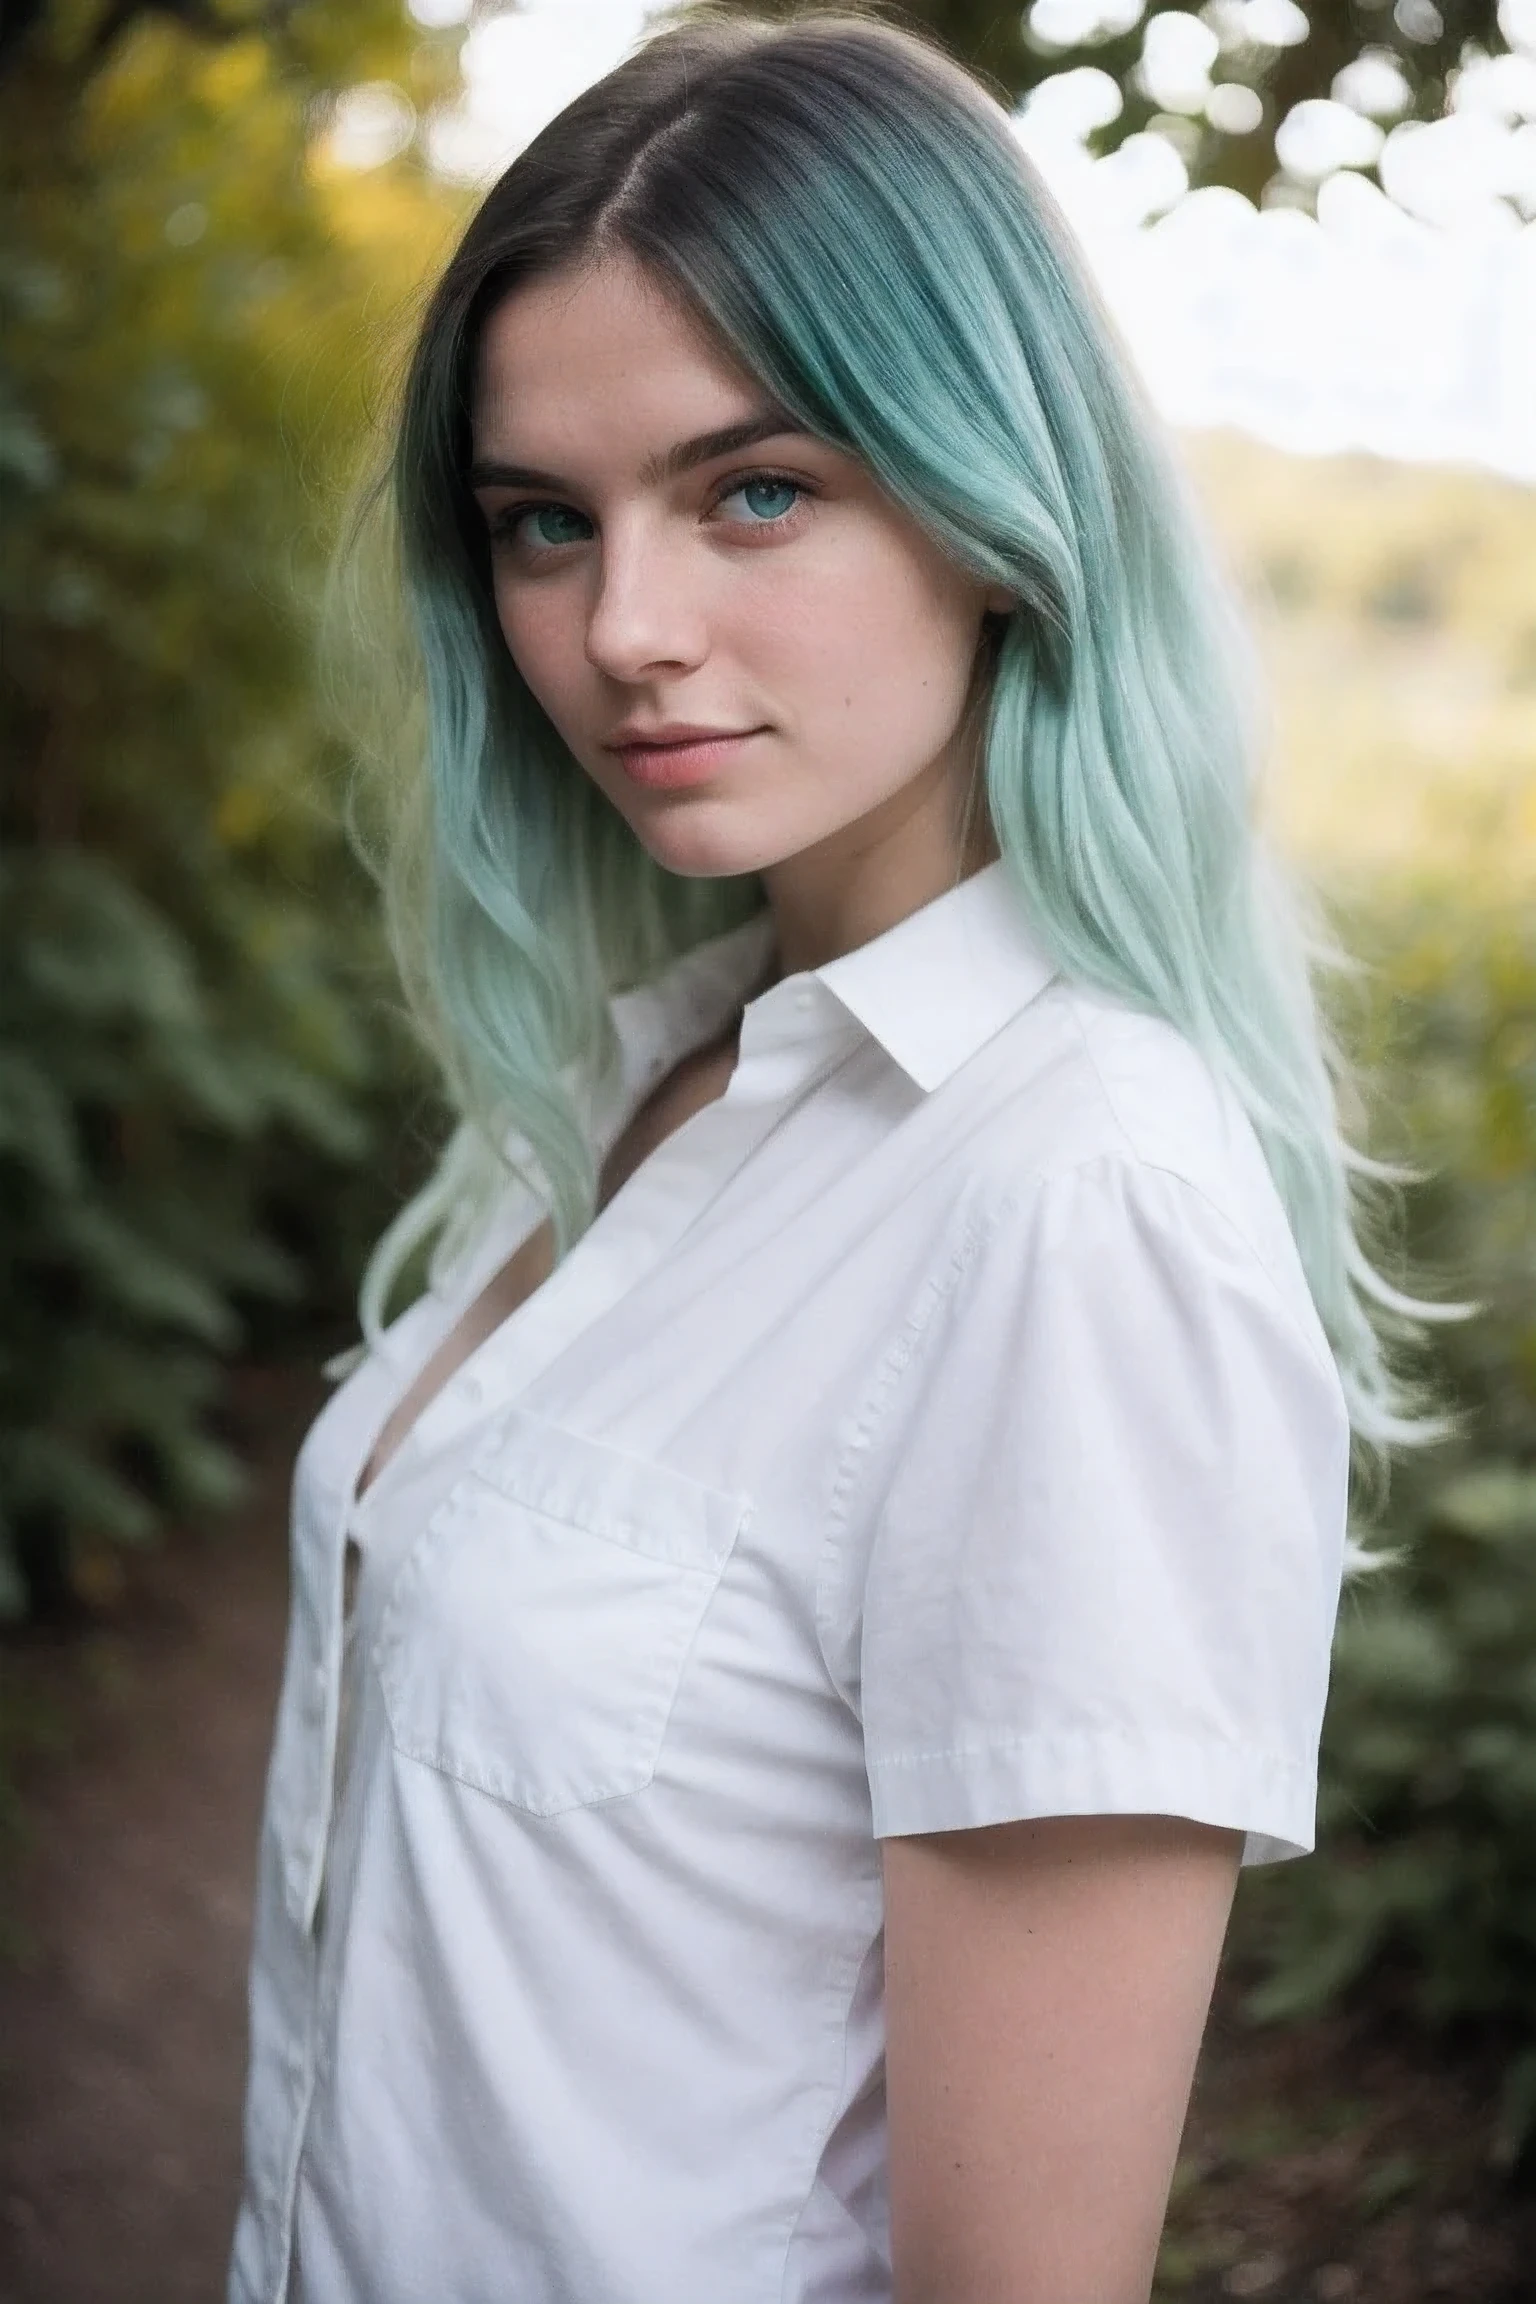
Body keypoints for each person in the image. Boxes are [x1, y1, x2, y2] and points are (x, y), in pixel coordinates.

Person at [229, 11, 1425, 2301]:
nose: (622, 636)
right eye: (542, 527)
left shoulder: (1079, 1208)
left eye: (753, 490)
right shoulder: (642, 1072)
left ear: (1001, 510)